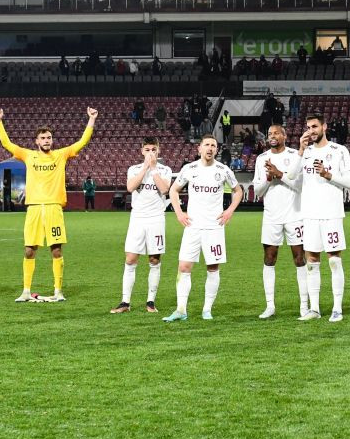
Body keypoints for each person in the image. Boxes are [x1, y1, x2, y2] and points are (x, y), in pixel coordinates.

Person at [0, 106, 97, 303]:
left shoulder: (61, 154)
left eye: (49, 137)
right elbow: (7, 143)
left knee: (56, 250)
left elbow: (82, 142)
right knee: (29, 249)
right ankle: (26, 291)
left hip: (53, 208)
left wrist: (91, 120)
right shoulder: (28, 155)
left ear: (52, 140)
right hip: (33, 208)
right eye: (42, 138)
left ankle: (58, 291)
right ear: (36, 141)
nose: (46, 140)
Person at [164, 135, 243, 321]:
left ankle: (207, 309)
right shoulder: (189, 169)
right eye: (206, 145)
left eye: (213, 146)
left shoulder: (223, 170)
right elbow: (173, 190)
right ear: (199, 148)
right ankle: (181, 310)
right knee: (184, 266)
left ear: (217, 150)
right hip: (192, 226)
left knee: (213, 267)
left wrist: (230, 210)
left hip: (214, 227)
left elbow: (238, 190)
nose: (210, 148)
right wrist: (179, 213)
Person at [286, 113, 350, 322]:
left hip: (331, 214)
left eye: (314, 126)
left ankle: (337, 308)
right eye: (308, 127)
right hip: (310, 215)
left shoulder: (339, 150)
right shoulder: (304, 153)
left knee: (334, 260)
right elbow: (290, 176)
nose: (311, 130)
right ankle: (314, 309)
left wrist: (328, 174)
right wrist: (299, 150)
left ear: (324, 127)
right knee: (312, 261)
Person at [111, 137, 172, 314]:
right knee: (130, 259)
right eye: (147, 149)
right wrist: (145, 167)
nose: (150, 153)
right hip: (137, 218)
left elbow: (164, 189)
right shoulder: (134, 169)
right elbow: (130, 187)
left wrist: (153, 169)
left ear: (158, 151)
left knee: (154, 260)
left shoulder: (165, 170)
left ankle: (150, 301)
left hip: (156, 219)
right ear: (141, 151)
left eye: (154, 149)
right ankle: (125, 302)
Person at [252, 124, 307, 318]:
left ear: (285, 135)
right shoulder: (261, 159)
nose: (272, 136)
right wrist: (268, 178)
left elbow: (301, 185)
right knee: (269, 259)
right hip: (271, 217)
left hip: (295, 215)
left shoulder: (295, 156)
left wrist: (279, 174)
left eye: (276, 133)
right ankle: (270, 306)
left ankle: (304, 305)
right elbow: (257, 191)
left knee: (300, 259)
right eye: (269, 134)